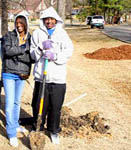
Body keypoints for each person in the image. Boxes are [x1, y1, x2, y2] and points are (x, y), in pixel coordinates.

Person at [30, 6, 73, 144]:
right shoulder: (37, 33)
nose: (49, 21)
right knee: (38, 105)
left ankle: (54, 130)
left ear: (56, 20)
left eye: (51, 19)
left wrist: (55, 56)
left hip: (58, 78)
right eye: (46, 19)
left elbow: (68, 52)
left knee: (55, 107)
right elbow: (32, 54)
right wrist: (41, 49)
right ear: (43, 20)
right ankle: (37, 127)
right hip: (41, 77)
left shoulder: (62, 34)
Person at [1, 13, 33, 147]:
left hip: (22, 74)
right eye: (17, 23)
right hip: (9, 73)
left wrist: (18, 53)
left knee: (16, 101)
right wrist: (22, 49)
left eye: (21, 23)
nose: (19, 26)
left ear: (26, 24)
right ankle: (11, 133)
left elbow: (31, 57)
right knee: (9, 103)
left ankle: (15, 124)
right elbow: (7, 51)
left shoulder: (30, 38)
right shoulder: (9, 35)